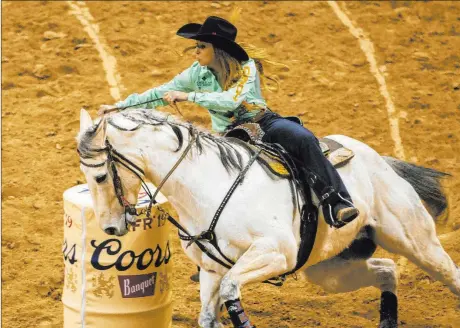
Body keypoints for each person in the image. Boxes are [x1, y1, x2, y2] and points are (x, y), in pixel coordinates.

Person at [99, 16, 359, 228]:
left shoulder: (247, 68)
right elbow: (159, 93)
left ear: (217, 50)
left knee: (301, 138)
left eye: (201, 47)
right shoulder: (196, 72)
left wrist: (187, 95)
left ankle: (335, 200)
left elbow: (231, 101)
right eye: (196, 46)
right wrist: (120, 106)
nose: (196, 52)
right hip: (226, 134)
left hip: (263, 123)